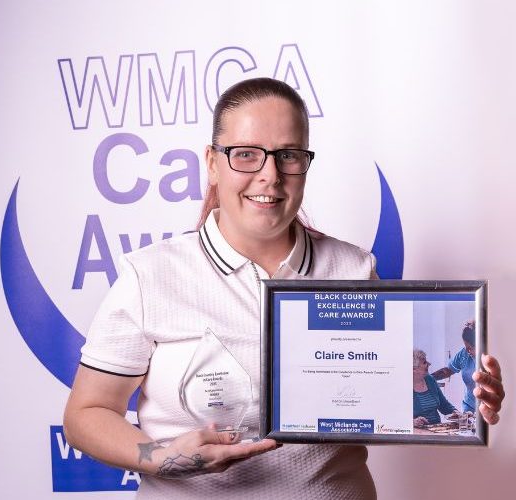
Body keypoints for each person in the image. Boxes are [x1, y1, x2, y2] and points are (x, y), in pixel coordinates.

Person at [64, 77, 505, 499]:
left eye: (288, 155)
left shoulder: (352, 268)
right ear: (212, 162)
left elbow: (385, 394)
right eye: (245, 154)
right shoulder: (151, 276)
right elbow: (86, 416)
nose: (270, 175)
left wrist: (470, 397)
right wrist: (161, 457)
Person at [431, 320, 477, 413]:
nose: (467, 351)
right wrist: (428, 378)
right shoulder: (463, 354)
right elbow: (448, 370)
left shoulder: (491, 359)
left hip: (488, 408)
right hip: (469, 408)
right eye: (466, 347)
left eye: (470, 348)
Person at [413, 349, 459, 428]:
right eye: (424, 362)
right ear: (414, 369)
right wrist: (412, 422)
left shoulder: (430, 379)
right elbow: (394, 416)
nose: (429, 364)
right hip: (417, 434)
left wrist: (456, 413)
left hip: (437, 429)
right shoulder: (402, 387)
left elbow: (444, 405)